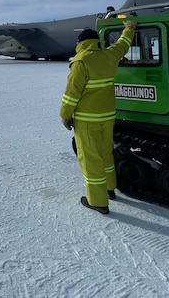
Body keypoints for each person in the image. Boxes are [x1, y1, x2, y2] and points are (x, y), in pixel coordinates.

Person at [60, 20, 136, 215]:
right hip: (107, 116)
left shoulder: (81, 61)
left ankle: (97, 201)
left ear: (80, 43)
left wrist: (65, 116)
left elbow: (71, 94)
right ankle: (110, 189)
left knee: (90, 159)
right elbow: (122, 44)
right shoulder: (109, 55)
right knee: (105, 154)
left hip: (87, 120)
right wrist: (129, 28)